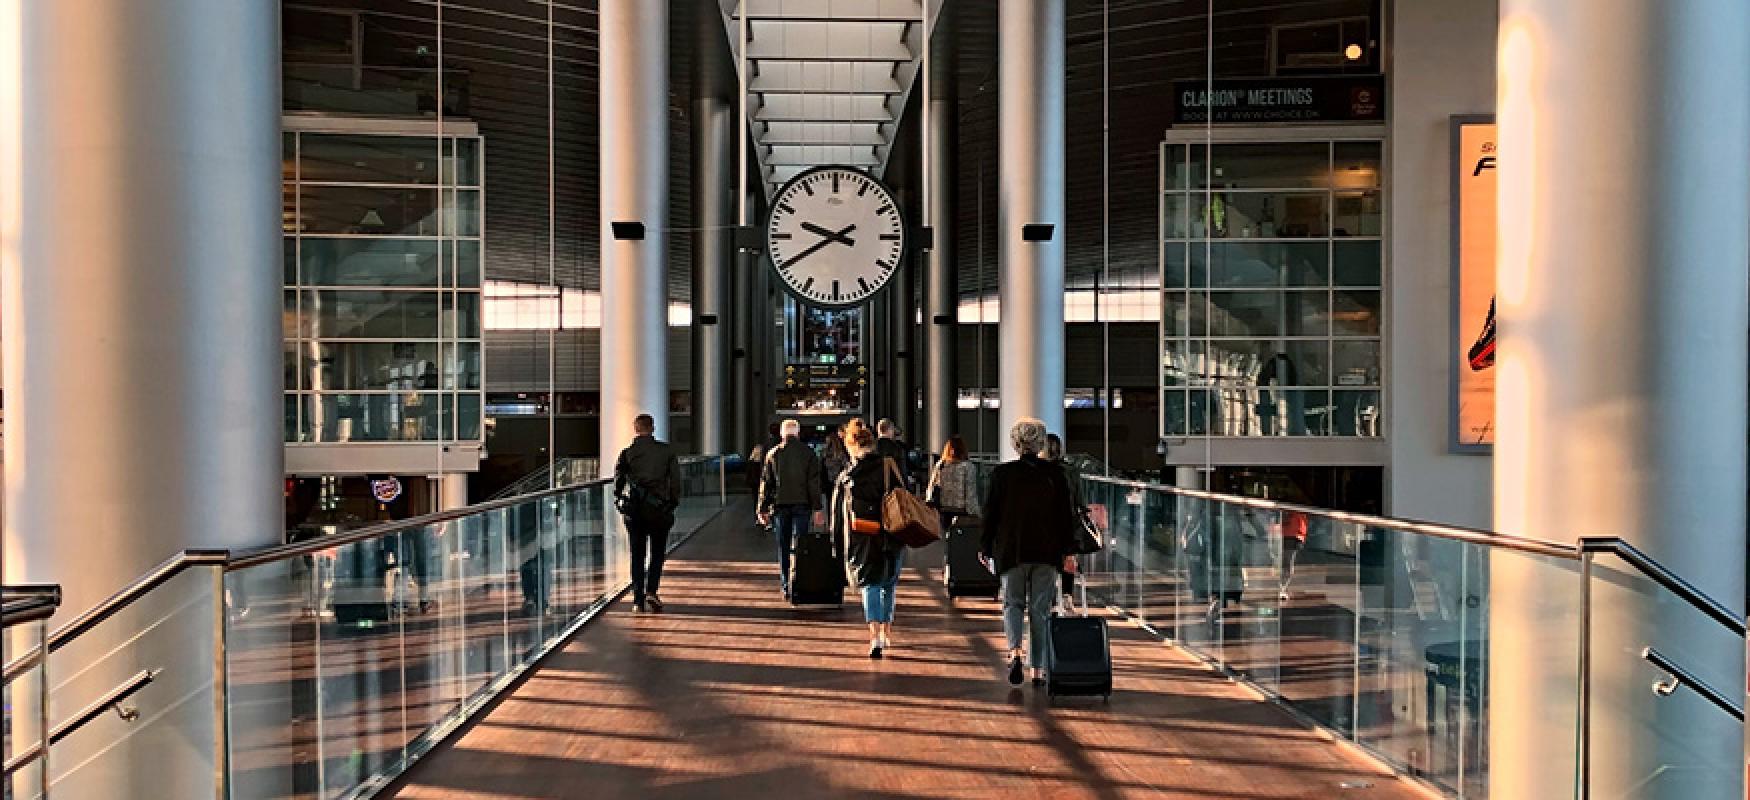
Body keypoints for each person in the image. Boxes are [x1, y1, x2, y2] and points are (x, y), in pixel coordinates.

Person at [981, 418, 1077, 686]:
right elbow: (1065, 517)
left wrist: (985, 546)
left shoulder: (1001, 475)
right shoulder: (1056, 475)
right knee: (1040, 608)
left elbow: (990, 515)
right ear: (1041, 443)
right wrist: (1068, 551)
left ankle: (1015, 651)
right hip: (1047, 550)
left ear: (1015, 443)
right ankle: (1038, 668)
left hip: (1011, 549)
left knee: (1013, 603)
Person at [833, 419, 905, 658]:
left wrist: (837, 545)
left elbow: (838, 516)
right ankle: (886, 632)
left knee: (870, 585)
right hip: (891, 533)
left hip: (862, 536)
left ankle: (874, 636)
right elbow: (903, 497)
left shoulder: (847, 476)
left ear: (851, 447)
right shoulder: (888, 467)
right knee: (889, 585)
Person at [613, 413, 681, 613]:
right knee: (657, 552)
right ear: (652, 428)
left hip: (634, 511)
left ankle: (637, 599)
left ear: (636, 429)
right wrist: (672, 503)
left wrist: (619, 500)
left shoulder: (627, 454)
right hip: (659, 509)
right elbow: (675, 482)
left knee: (637, 554)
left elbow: (618, 482)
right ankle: (651, 591)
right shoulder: (666, 452)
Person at [759, 419, 823, 599]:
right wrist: (818, 508)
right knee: (801, 544)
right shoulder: (808, 453)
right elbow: (813, 484)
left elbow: (766, 483)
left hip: (780, 506)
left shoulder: (773, 454)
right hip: (803, 505)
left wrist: (762, 508)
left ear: (782, 434)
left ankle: (786, 584)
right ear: (798, 433)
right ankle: (800, 582)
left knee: (783, 545)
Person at [1043, 433, 1088, 615]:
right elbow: (1080, 501)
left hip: (1045, 525)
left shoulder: (1039, 471)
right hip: (1068, 524)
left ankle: (1051, 600)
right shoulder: (1071, 471)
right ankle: (1067, 596)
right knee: (1068, 559)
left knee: (1047, 562)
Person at [925, 435, 978, 531]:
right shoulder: (968, 467)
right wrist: (974, 512)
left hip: (943, 508)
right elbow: (970, 492)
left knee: (943, 533)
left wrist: (929, 502)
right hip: (961, 509)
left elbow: (931, 485)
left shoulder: (941, 464)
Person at [875, 418, 912, 490]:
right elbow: (902, 471)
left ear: (878, 430)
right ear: (890, 430)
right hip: (895, 489)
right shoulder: (898, 448)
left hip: (876, 489)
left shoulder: (872, 448)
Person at [821, 428, 851, 496]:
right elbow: (847, 466)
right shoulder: (840, 454)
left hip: (829, 482)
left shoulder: (824, 454)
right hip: (837, 481)